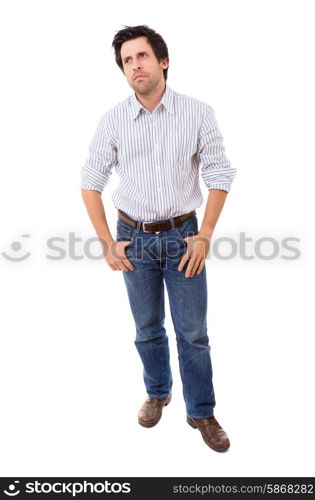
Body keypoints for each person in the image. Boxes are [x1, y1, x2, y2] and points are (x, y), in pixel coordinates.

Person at [80, 25, 236, 452]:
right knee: (147, 327)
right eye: (127, 61)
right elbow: (90, 182)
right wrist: (107, 242)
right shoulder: (112, 120)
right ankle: (157, 391)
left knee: (192, 332)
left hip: (184, 236)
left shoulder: (198, 112)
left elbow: (219, 173)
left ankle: (201, 411)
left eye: (142, 56)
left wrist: (204, 234)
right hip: (134, 238)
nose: (135, 65)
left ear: (162, 61)